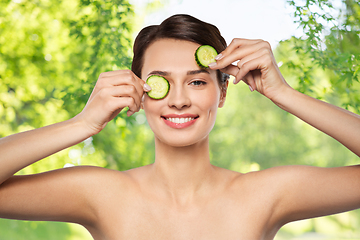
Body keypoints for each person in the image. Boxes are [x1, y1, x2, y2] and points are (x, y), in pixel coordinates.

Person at [0, 14, 360, 240]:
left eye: (198, 82)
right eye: (160, 81)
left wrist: (283, 93)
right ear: (139, 93)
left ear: (222, 93)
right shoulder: (102, 193)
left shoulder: (265, 195)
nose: (178, 100)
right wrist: (82, 124)